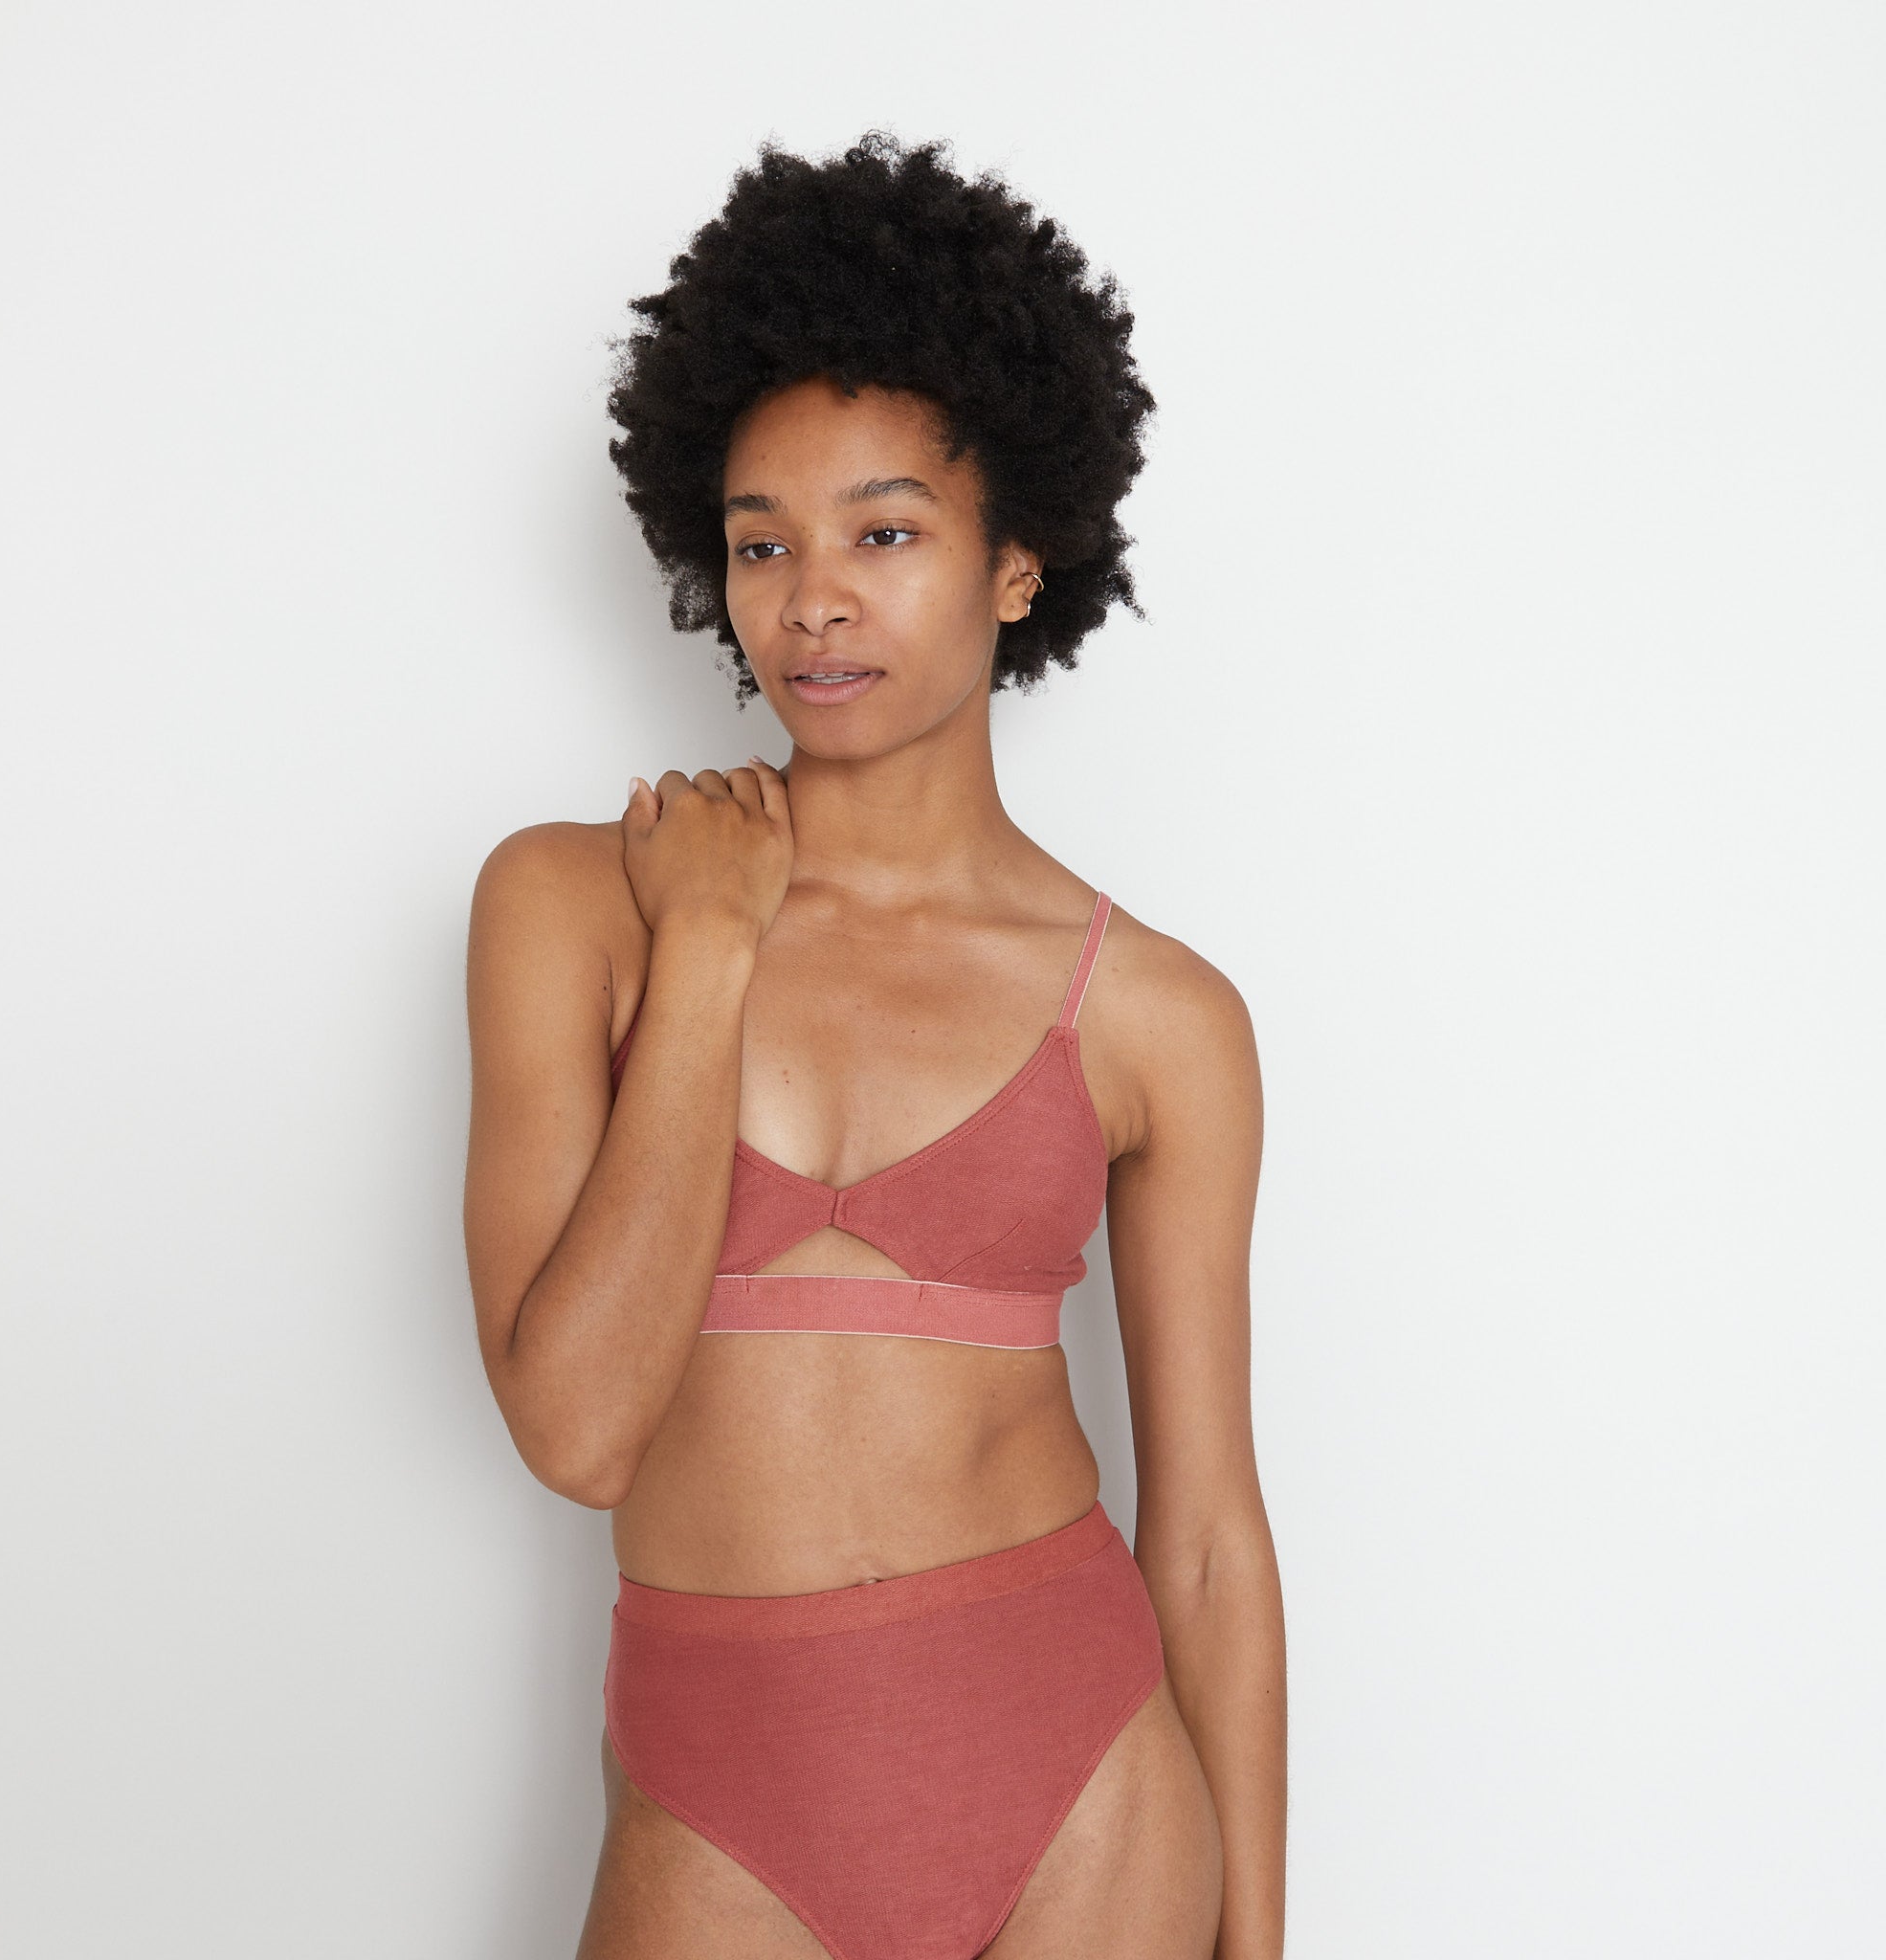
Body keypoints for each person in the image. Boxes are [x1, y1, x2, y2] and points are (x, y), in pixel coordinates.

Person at [463, 132, 1286, 1960]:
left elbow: (1210, 1535)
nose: (811, 598)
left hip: (1083, 1782)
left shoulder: (1157, 1015)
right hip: (722, 1789)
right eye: (763, 542)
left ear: (1018, 566)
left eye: (886, 533)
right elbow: (579, 1430)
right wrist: (708, 949)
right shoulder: (574, 906)